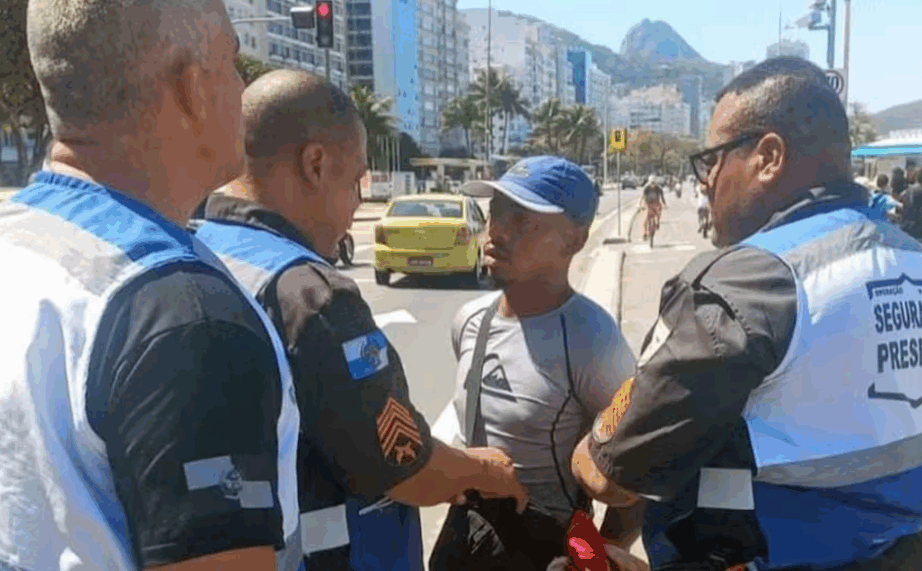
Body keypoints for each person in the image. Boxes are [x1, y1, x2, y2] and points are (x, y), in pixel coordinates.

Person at [572, 56, 922, 571]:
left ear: (768, 156)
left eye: (712, 161)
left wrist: (597, 443)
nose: (705, 183)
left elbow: (608, 473)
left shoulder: (747, 284)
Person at [1, 1, 304, 570]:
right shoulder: (189, 322)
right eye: (233, 62)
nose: (245, 87)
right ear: (192, 88)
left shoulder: (17, 242)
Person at [191, 70, 528, 571]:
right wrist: (483, 469)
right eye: (355, 182)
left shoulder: (192, 245)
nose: (357, 206)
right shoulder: (312, 296)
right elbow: (404, 465)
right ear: (315, 164)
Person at [430, 156, 647, 571]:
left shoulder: (592, 340)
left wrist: (601, 554)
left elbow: (634, 473)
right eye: (495, 212)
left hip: (551, 546)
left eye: (523, 219)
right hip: (466, 535)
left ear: (575, 241)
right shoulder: (469, 322)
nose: (497, 230)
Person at [640, 175, 667, 240]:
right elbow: (642, 197)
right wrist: (640, 205)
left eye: (654, 183)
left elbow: (662, 198)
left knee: (659, 211)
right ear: (649, 182)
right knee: (645, 217)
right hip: (647, 203)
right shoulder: (646, 188)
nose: (652, 184)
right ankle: (644, 233)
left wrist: (665, 204)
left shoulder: (659, 188)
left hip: (656, 203)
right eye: (651, 183)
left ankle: (657, 222)